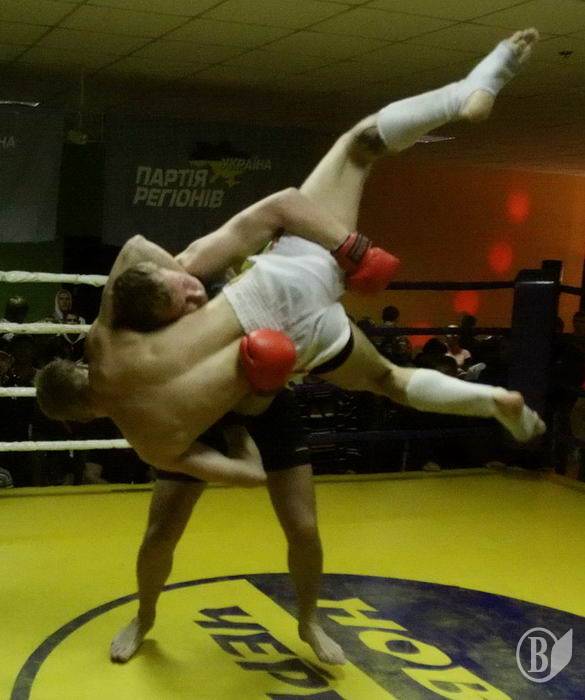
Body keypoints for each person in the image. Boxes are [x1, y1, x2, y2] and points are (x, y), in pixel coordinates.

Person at [37, 27, 546, 668]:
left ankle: (144, 619)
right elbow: (138, 251)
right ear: (77, 363)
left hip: (288, 349)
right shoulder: (107, 338)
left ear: (82, 418)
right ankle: (480, 81)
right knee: (359, 145)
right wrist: (189, 277)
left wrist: (244, 410)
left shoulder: (149, 441)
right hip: (279, 290)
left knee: (168, 527)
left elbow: (248, 476)